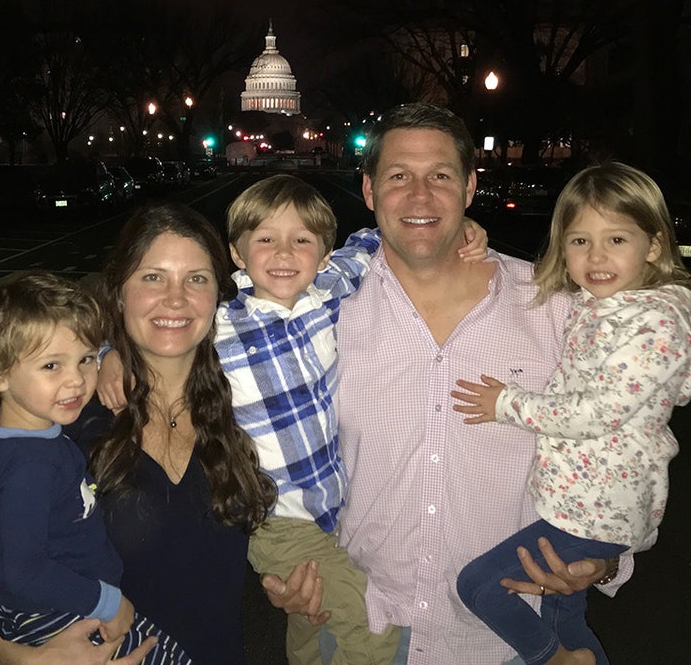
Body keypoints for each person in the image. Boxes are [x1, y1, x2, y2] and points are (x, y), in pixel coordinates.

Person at [263, 103, 630, 665]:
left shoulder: (551, 308)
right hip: (368, 631)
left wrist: (603, 560)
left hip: (514, 638)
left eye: (439, 176)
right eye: (398, 177)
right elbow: (207, 344)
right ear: (367, 190)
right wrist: (118, 359)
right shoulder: (319, 311)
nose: (419, 196)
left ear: (469, 187)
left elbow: (624, 443)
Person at [98, 175, 486, 665]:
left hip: (336, 506)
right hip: (278, 518)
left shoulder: (329, 292)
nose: (284, 253)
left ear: (323, 255)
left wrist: (461, 226)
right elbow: (161, 331)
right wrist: (110, 353)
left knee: (312, 621)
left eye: (302, 240)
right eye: (265, 240)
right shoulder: (220, 323)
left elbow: (378, 240)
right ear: (238, 255)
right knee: (373, 628)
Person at [0, 204, 277, 665]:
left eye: (196, 278)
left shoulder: (248, 406)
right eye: (152, 277)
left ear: (218, 293)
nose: (175, 299)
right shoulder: (65, 418)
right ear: (117, 293)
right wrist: (26, 660)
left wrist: (290, 573)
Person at [450, 162, 691, 665]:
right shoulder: (602, 305)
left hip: (597, 508)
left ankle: (550, 659)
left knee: (480, 586)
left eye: (616, 239)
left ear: (653, 246)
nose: (596, 256)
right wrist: (478, 240)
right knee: (566, 616)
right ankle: (569, 654)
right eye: (580, 241)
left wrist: (507, 403)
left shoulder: (655, 322)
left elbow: (599, 411)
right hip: (579, 500)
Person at [0, 271, 189, 663]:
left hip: (41, 604)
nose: (77, 380)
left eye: (86, 359)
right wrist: (108, 602)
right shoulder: (31, 467)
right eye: (52, 366)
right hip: (54, 613)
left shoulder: (6, 431)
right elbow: (25, 571)